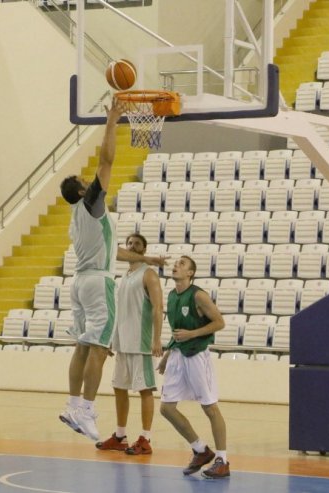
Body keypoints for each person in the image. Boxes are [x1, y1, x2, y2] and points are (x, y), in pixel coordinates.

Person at [58, 101, 166, 442]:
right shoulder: (91, 203)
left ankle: (73, 404)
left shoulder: (76, 218)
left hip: (80, 282)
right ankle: (87, 410)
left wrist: (146, 260)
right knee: (100, 349)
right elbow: (107, 160)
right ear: (81, 190)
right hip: (98, 283)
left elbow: (109, 252)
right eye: (83, 180)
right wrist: (112, 120)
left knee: (82, 345)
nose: (89, 180)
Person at [158, 255, 230, 479]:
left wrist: (193, 334)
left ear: (190, 273)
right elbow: (177, 330)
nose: (176, 266)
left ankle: (222, 460)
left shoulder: (198, 295)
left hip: (197, 355)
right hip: (178, 355)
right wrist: (167, 354)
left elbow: (219, 322)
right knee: (166, 408)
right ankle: (200, 449)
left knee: (209, 407)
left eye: (182, 264)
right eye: (176, 263)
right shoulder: (171, 296)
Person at [95, 233, 163, 455]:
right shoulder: (125, 275)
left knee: (145, 390)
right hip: (123, 341)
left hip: (141, 342)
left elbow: (157, 308)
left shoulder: (149, 274)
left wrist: (156, 338)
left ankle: (145, 438)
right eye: (130, 243)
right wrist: (111, 339)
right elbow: (119, 311)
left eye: (137, 244)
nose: (132, 246)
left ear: (144, 250)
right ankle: (120, 435)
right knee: (119, 387)